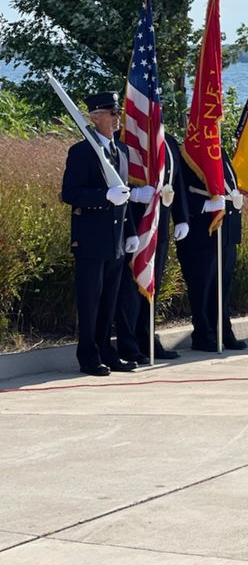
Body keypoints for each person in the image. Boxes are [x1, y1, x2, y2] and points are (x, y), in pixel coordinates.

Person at [61, 91, 140, 376]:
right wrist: (104, 196)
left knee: (110, 301)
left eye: (117, 113)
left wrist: (130, 231)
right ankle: (89, 356)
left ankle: (107, 351)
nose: (117, 118)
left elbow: (125, 195)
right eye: (112, 113)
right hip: (92, 240)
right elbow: (70, 193)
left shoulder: (120, 152)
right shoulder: (82, 152)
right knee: (91, 301)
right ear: (95, 117)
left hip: (115, 241)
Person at [114, 131, 190, 363]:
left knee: (151, 285)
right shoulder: (125, 137)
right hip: (137, 224)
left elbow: (177, 182)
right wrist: (135, 195)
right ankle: (128, 343)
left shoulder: (168, 142)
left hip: (160, 223)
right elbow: (117, 180)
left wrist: (182, 217)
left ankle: (148, 340)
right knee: (130, 289)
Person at [177, 149, 247, 352]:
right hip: (203, 232)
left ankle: (223, 331)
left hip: (225, 231)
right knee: (202, 286)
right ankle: (203, 334)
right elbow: (181, 190)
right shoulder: (189, 153)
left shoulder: (219, 151)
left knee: (223, 287)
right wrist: (204, 205)